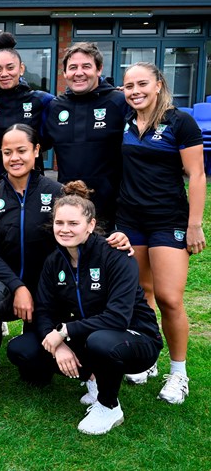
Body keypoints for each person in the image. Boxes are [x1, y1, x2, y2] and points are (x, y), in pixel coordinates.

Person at [0, 124, 132, 411]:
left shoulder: (55, 192)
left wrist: (116, 239)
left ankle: (92, 371)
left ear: (36, 151)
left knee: (35, 372)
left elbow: (79, 233)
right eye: (7, 152)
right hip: (8, 285)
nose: (14, 158)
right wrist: (18, 287)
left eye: (21, 150)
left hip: (51, 289)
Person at [7, 182, 162, 434]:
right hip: (89, 335)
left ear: (90, 225)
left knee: (100, 341)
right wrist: (58, 345)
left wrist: (64, 331)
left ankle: (109, 406)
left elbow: (118, 318)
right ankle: (92, 378)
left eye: (73, 223)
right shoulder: (54, 261)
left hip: (136, 338)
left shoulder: (116, 255)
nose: (65, 229)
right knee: (21, 349)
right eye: (59, 223)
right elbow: (44, 310)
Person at [117, 62, 206, 403]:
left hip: (168, 220)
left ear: (158, 85)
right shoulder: (125, 121)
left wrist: (194, 224)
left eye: (142, 84)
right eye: (129, 86)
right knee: (143, 295)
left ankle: (178, 373)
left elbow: (196, 175)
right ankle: (148, 357)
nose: (135, 91)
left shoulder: (179, 122)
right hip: (130, 220)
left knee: (169, 298)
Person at [42, 42, 131, 230]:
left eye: (86, 66)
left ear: (99, 69)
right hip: (69, 206)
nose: (79, 72)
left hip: (113, 207)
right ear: (65, 73)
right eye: (73, 67)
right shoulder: (56, 107)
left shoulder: (119, 102)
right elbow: (38, 145)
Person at [0, 32, 55, 199]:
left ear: (21, 68)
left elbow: (72, 102)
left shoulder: (41, 100)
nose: (4, 74)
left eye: (10, 68)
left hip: (32, 185)